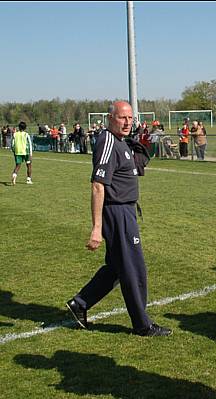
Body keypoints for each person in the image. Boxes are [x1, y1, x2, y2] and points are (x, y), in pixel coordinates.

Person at [65, 100, 172, 337]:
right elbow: (97, 185)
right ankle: (142, 325)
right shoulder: (107, 141)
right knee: (134, 268)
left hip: (126, 211)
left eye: (130, 118)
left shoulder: (121, 141)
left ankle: (80, 303)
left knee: (116, 267)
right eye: (122, 117)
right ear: (110, 118)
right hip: (118, 213)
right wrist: (96, 228)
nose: (127, 122)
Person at [10, 121, 33, 185]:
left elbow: (12, 143)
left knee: (17, 165)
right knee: (29, 165)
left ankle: (14, 176)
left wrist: (13, 150)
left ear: (19, 127)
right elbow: (30, 144)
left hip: (17, 152)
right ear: (25, 128)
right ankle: (28, 180)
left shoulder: (15, 134)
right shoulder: (26, 134)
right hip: (26, 152)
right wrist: (31, 154)